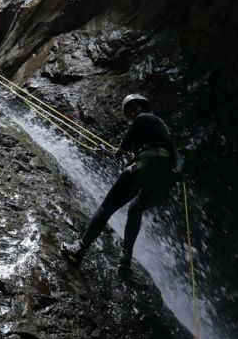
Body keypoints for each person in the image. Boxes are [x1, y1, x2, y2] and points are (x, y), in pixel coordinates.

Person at [61, 93, 179, 276]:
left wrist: (120, 150)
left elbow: (128, 140)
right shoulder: (163, 133)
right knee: (135, 209)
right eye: (130, 110)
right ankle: (125, 263)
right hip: (161, 180)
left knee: (107, 206)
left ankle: (79, 248)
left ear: (142, 107)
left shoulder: (144, 117)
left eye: (133, 108)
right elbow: (174, 159)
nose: (133, 112)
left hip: (147, 164)